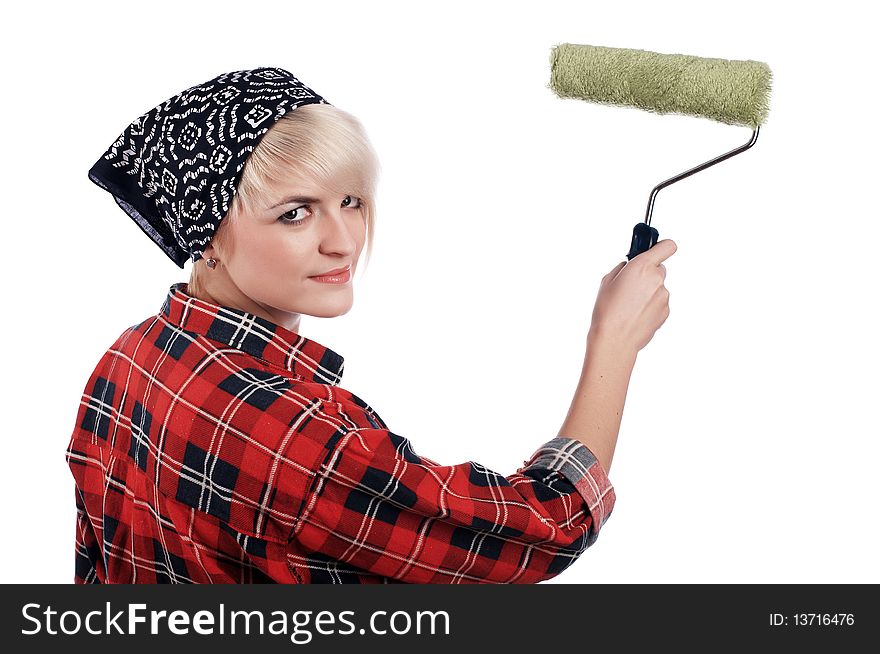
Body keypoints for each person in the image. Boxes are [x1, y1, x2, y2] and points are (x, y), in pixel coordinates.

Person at [66, 67, 676, 584]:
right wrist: (613, 341)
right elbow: (538, 532)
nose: (343, 242)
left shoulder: (125, 359)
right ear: (208, 238)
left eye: (351, 201)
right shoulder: (299, 434)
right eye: (296, 213)